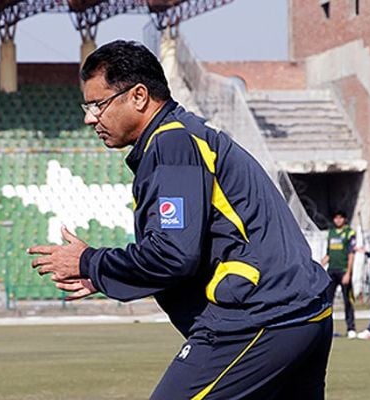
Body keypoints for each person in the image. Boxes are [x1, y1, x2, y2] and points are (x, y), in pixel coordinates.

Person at [28, 40, 333, 399]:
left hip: (263, 317)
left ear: (139, 96)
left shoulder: (171, 144)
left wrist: (89, 261)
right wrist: (103, 273)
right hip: (303, 312)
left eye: (98, 104)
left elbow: (173, 255)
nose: (89, 117)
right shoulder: (185, 137)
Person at [320, 210, 357, 339]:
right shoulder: (331, 233)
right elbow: (329, 253)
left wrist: (348, 273)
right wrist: (320, 264)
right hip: (332, 270)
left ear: (344, 219)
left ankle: (351, 328)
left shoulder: (349, 233)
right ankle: (327, 329)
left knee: (348, 300)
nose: (338, 220)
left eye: (340, 218)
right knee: (327, 301)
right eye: (336, 218)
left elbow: (351, 254)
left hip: (343, 270)